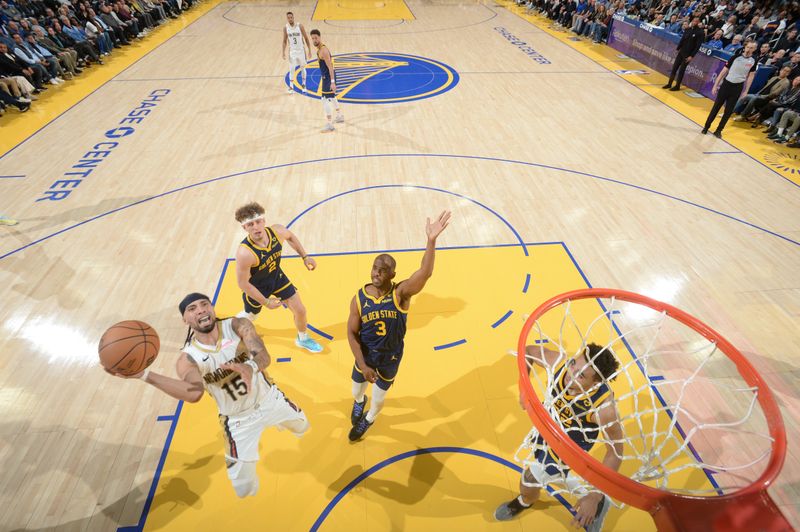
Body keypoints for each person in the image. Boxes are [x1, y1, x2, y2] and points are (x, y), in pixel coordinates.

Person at [104, 293, 309, 498]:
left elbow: (263, 355)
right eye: (192, 309)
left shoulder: (238, 325)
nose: (200, 309)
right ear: (185, 320)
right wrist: (144, 375)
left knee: (303, 427)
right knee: (243, 488)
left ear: (212, 309)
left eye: (204, 304)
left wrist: (250, 366)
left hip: (270, 400)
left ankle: (284, 421)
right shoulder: (188, 359)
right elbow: (193, 394)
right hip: (238, 421)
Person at [494, 343, 623, 532]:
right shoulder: (558, 364)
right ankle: (596, 498)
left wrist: (594, 497)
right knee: (554, 476)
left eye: (581, 376)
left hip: (570, 449)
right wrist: (523, 387)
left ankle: (526, 501)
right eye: (573, 364)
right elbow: (528, 351)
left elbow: (616, 452)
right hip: (547, 431)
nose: (571, 374)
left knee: (528, 482)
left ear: (596, 383)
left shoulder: (604, 409)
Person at [347, 211, 452, 442]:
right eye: (375, 267)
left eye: (383, 270)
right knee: (357, 391)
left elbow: (426, 272)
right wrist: (363, 365)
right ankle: (358, 403)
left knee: (378, 398)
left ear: (392, 275)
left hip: (390, 357)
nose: (377, 272)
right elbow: (351, 334)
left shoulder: (400, 294)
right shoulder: (358, 298)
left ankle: (370, 418)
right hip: (365, 356)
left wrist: (431, 241)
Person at [233, 202, 323, 354]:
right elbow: (243, 284)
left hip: (277, 277)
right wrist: (266, 302)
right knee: (250, 316)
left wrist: (305, 257)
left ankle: (303, 338)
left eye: (258, 222)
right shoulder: (245, 253)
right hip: (257, 287)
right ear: (244, 228)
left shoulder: (278, 231)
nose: (255, 227)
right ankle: (231, 328)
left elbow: (291, 237)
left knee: (300, 310)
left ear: (264, 221)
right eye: (250, 224)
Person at [703, 42, 758, 138]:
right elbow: (723, 71)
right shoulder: (735, 57)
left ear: (754, 49)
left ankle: (719, 130)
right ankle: (706, 127)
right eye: (748, 47)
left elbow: (751, 76)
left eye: (752, 48)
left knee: (728, 111)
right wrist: (715, 85)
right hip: (726, 85)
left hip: (737, 87)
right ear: (745, 47)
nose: (749, 49)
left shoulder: (753, 61)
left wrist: (746, 91)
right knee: (716, 107)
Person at [309, 29, 343, 132]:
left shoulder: (323, 50)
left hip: (328, 78)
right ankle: (339, 116)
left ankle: (329, 124)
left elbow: (330, 67)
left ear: (320, 37)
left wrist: (332, 82)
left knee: (324, 99)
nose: (314, 40)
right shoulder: (319, 49)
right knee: (332, 97)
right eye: (313, 38)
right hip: (327, 77)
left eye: (316, 38)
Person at [663, 16, 705, 92]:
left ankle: (677, 86)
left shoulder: (700, 32)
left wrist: (691, 56)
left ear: (698, 22)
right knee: (674, 68)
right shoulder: (688, 29)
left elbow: (697, 46)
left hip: (688, 55)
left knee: (681, 70)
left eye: (696, 21)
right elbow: (682, 40)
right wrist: (678, 48)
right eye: (693, 20)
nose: (694, 22)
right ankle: (669, 83)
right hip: (681, 52)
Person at [282, 11, 311, 94]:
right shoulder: (286, 28)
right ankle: (291, 87)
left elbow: (306, 38)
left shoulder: (300, 26)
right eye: (288, 18)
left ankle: (304, 85)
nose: (290, 19)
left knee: (303, 68)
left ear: (293, 17)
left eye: (291, 17)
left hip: (301, 50)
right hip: (292, 51)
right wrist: (283, 52)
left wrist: (309, 50)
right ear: (287, 18)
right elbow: (284, 41)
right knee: (291, 69)